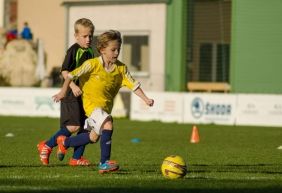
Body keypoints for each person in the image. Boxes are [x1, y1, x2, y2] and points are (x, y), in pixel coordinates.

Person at [52, 30, 154, 173]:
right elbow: (70, 75)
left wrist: (146, 99)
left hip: (105, 108)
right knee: (108, 124)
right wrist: (63, 92)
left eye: (118, 49)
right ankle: (104, 163)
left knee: (93, 137)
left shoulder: (121, 68)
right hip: (91, 106)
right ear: (102, 50)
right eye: (113, 50)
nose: (116, 52)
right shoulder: (91, 65)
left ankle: (65, 141)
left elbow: (134, 85)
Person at [37, 18, 95, 166]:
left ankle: (76, 158)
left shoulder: (90, 52)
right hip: (71, 92)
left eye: (90, 35)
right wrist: (73, 87)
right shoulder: (73, 50)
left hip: (84, 94)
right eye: (84, 36)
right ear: (76, 36)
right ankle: (48, 145)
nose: (88, 39)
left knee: (86, 126)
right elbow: (64, 71)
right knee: (73, 126)